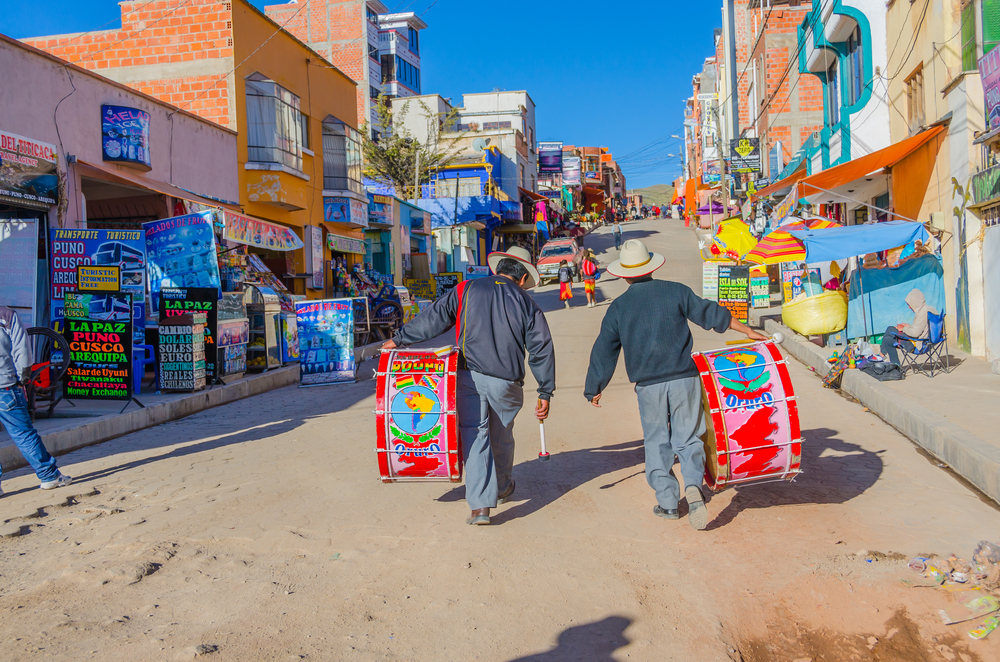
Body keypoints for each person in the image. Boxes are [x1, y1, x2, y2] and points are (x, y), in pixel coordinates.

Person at [583, 240, 767, 530]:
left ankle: (668, 503)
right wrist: (748, 331)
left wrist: (594, 386)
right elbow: (712, 314)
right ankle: (693, 485)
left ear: (624, 275)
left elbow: (604, 348)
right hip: (685, 378)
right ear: (651, 267)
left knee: (657, 440)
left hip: (649, 386)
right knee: (689, 436)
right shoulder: (676, 291)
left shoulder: (618, 308)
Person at [383, 246, 555, 526]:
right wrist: (545, 389)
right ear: (523, 278)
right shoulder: (526, 302)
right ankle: (501, 488)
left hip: (468, 376)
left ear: (498, 269)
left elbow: (434, 318)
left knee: (476, 436)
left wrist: (400, 339)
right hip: (507, 382)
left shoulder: (466, 289)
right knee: (501, 436)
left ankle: (480, 507)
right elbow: (541, 347)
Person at [0, 306, 73, 496]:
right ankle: (49, 476)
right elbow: (22, 350)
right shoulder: (7, 315)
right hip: (6, 386)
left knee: (23, 433)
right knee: (23, 434)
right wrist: (24, 379)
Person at [880, 289, 937, 365]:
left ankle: (881, 355)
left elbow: (915, 333)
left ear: (915, 302)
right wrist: (908, 326)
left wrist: (903, 328)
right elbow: (922, 328)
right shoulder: (929, 309)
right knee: (888, 340)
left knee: (890, 329)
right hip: (927, 342)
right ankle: (891, 363)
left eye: (910, 304)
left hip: (917, 344)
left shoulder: (923, 313)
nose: (909, 307)